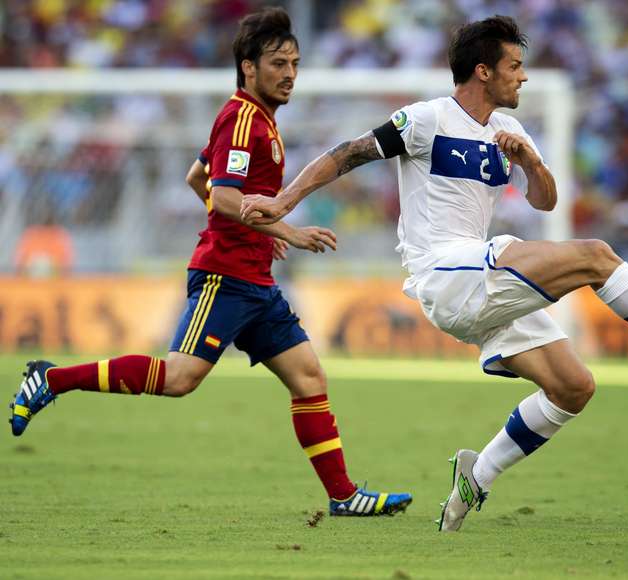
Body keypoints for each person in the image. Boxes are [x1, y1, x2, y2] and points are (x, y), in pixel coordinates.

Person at [239, 15, 628, 531]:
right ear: (483, 72)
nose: (524, 75)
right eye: (514, 65)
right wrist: (286, 201)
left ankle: (477, 476)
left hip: (480, 279)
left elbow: (545, 200)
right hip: (445, 270)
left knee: (573, 388)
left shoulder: (508, 128)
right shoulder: (427, 120)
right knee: (596, 255)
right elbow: (346, 154)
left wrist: (532, 164)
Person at [9, 7, 412, 518]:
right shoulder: (242, 119)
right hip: (225, 276)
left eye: (294, 62)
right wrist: (284, 228)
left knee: (309, 378)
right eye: (277, 63)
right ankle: (50, 380)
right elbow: (222, 199)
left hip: (255, 278)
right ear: (248, 67)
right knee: (179, 378)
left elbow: (196, 177)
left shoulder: (255, 119)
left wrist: (262, 231)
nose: (289, 73)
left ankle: (343, 496)